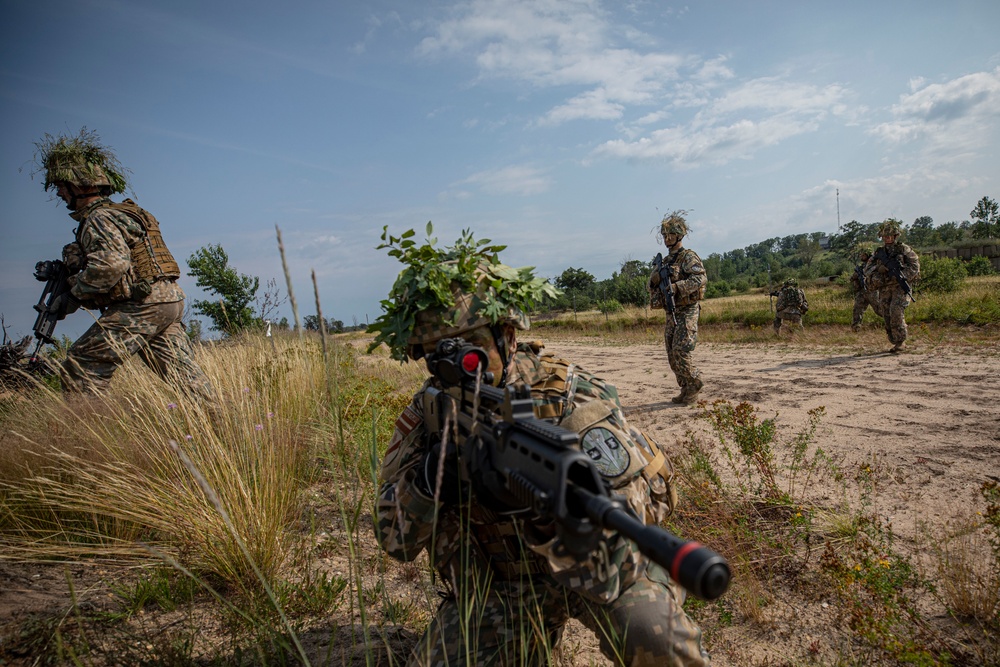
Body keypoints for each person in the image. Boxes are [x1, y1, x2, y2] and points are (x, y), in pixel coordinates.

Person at [369, 227, 712, 666]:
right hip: (503, 589)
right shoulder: (433, 413)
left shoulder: (570, 396)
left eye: (472, 347)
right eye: (438, 353)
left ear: (507, 335)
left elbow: (633, 522)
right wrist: (431, 479)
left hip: (599, 573)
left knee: (655, 635)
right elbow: (392, 540)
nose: (455, 366)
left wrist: (553, 518)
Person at [32, 129, 214, 402]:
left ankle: (87, 438)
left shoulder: (99, 219)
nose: (58, 192)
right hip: (167, 301)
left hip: (142, 305)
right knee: (184, 378)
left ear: (79, 186)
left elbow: (111, 265)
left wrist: (72, 296)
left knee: (82, 365)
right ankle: (219, 427)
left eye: (61, 185)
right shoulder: (122, 213)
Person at [647, 211, 707, 405]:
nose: (667, 239)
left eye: (670, 235)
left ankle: (694, 382)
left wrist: (677, 287)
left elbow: (700, 278)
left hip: (687, 309)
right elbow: (650, 286)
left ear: (679, 235)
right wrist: (654, 279)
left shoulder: (688, 257)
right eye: (664, 235)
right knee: (671, 353)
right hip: (671, 312)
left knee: (682, 349)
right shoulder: (664, 262)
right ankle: (685, 388)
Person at [864, 218, 920, 352]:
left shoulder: (904, 250)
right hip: (884, 287)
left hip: (899, 287)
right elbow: (867, 268)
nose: (887, 238)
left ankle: (900, 342)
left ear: (895, 236)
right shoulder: (879, 253)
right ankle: (893, 339)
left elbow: (914, 266)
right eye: (885, 236)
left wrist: (900, 276)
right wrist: (880, 269)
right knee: (886, 313)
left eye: (890, 236)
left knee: (896, 311)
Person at [850, 244, 882, 332]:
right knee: (857, 309)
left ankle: (892, 323)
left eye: (863, 254)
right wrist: (854, 277)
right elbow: (853, 278)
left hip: (872, 290)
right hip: (862, 291)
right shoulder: (861, 267)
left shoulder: (874, 265)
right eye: (861, 255)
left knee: (879, 310)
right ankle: (855, 328)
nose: (861, 256)